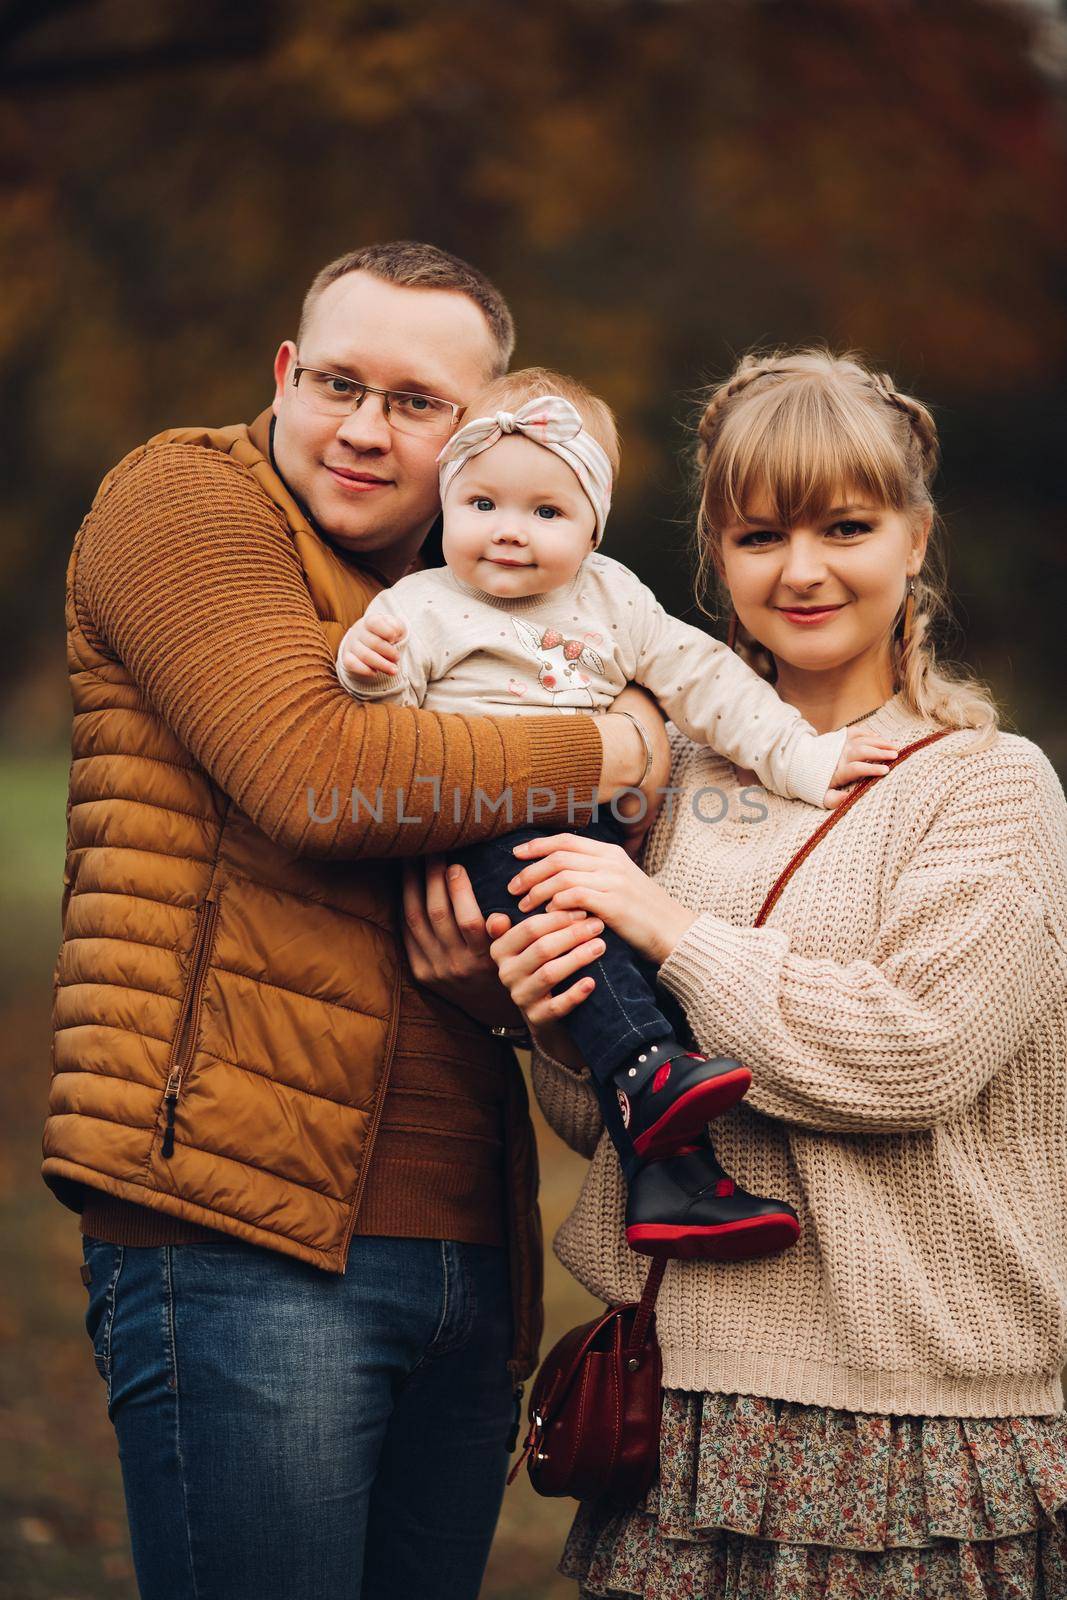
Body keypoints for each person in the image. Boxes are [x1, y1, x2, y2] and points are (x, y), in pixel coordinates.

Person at [44, 240, 666, 1600]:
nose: (368, 430)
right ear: (284, 374)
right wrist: (615, 746)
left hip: (460, 1234)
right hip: (237, 1231)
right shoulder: (186, 501)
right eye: (338, 383)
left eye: (418, 402)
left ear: (482, 429)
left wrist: (490, 991)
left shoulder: (485, 602)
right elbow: (317, 774)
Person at [486, 349, 1067, 1594]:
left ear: (913, 538)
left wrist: (662, 927)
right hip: (683, 1409)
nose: (800, 570)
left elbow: (915, 1051)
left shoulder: (987, 785)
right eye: (759, 536)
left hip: (907, 1413)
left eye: (844, 527)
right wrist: (553, 1026)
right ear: (715, 556)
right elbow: (610, 1116)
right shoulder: (667, 776)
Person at [336, 364, 898, 1260]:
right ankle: (648, 1065)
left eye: (546, 513)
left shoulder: (614, 600)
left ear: (593, 524)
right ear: (447, 505)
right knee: (585, 929)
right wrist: (366, 667)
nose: (509, 533)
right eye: (481, 505)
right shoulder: (422, 604)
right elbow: (383, 733)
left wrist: (804, 758)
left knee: (621, 951)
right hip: (482, 822)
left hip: (585, 830)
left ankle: (676, 1183)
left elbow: (708, 682)